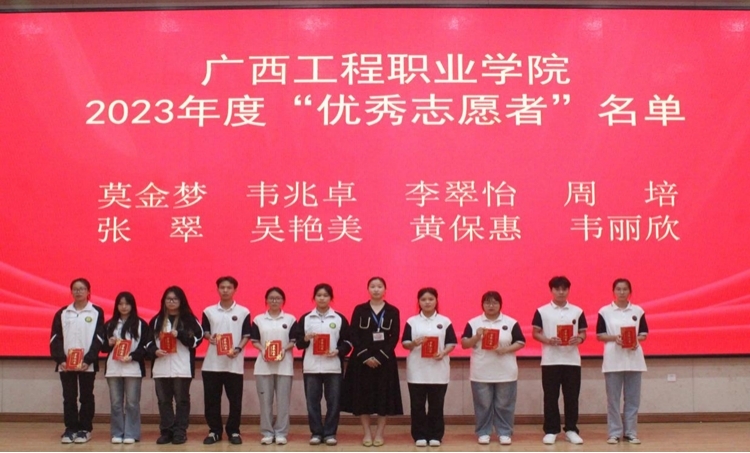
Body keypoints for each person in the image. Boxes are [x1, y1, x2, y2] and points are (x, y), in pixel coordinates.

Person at [342, 277, 403, 447]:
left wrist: (380, 357)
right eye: (373, 286)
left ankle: (380, 433)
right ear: (368, 289)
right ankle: (367, 433)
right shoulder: (360, 309)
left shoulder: (392, 311)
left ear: (385, 289)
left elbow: (394, 336)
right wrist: (366, 357)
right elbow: (353, 334)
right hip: (362, 361)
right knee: (363, 398)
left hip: (385, 361)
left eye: (379, 286)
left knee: (384, 397)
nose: (376, 289)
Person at [291, 283, 352, 446]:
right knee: (312, 402)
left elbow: (348, 342)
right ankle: (316, 433)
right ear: (314, 298)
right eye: (319, 295)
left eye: (325, 295)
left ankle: (330, 433)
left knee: (334, 402)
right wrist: (305, 338)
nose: (322, 298)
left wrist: (338, 351)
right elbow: (298, 343)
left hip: (333, 367)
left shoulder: (339, 318)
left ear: (331, 298)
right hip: (311, 367)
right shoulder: (306, 318)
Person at [461, 291, 525, 445]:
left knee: (504, 405)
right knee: (483, 405)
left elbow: (521, 342)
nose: (491, 306)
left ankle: (504, 432)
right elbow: (464, 344)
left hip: (506, 371)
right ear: (482, 305)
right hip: (481, 371)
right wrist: (477, 337)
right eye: (487, 302)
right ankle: (483, 432)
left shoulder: (511, 322)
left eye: (495, 302)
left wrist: (505, 349)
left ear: (500, 305)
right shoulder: (473, 323)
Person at [531, 276, 588, 445]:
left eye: (564, 289)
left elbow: (583, 332)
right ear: (551, 290)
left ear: (569, 290)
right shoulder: (542, 311)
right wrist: (548, 340)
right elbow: (535, 333)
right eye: (557, 289)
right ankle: (551, 430)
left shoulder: (577, 311)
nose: (561, 292)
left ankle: (571, 429)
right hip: (550, 360)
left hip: (572, 360)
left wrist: (579, 339)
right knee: (550, 397)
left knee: (572, 397)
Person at [50, 278, 106, 444]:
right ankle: (71, 428)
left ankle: (85, 429)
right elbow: (55, 338)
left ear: (88, 291)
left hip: (87, 365)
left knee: (86, 397)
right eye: (75, 289)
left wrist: (88, 360)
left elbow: (99, 338)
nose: (78, 292)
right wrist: (61, 360)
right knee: (69, 397)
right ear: (71, 292)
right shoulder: (63, 313)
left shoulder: (96, 312)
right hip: (66, 365)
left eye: (82, 289)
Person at [146, 286, 203, 445]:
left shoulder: (189, 319)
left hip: (182, 366)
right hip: (161, 366)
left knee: (182, 400)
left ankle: (180, 431)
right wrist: (154, 351)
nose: (171, 302)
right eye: (168, 299)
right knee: (163, 401)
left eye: (175, 299)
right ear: (164, 301)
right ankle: (166, 431)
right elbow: (147, 341)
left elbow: (197, 340)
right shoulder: (156, 320)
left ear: (181, 301)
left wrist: (181, 334)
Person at [402, 287, 457, 447]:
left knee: (436, 405)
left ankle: (435, 435)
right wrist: (414, 343)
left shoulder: (445, 321)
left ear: (436, 301)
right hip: (417, 370)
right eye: (423, 299)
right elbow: (405, 343)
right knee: (417, 405)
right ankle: (419, 435)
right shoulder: (412, 321)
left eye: (430, 299)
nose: (427, 302)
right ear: (418, 302)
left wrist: (443, 352)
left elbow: (451, 343)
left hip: (438, 370)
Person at [596, 278, 648, 445]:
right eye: (618, 289)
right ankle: (614, 433)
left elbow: (643, 334)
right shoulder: (605, 311)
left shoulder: (638, 311)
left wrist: (635, 341)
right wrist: (615, 338)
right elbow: (600, 335)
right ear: (613, 291)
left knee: (632, 399)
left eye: (625, 289)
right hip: (613, 360)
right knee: (613, 400)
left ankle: (631, 432)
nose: (622, 292)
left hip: (634, 359)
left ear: (630, 291)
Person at [200, 276, 251, 445]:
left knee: (235, 401)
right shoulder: (209, 311)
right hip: (211, 364)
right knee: (211, 401)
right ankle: (214, 431)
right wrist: (209, 337)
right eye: (222, 287)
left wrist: (238, 349)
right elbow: (205, 331)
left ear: (235, 290)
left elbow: (246, 335)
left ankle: (233, 431)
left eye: (229, 287)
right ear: (217, 289)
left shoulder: (243, 312)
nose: (225, 290)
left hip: (234, 364)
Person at [101, 291, 151, 444]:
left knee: (132, 403)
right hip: (113, 368)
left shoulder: (141, 324)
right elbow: (102, 347)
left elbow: (146, 346)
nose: (124, 307)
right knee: (116, 403)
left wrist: (133, 356)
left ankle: (131, 433)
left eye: (127, 304)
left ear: (132, 306)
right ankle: (117, 432)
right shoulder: (110, 324)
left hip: (133, 368)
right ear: (116, 306)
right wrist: (109, 343)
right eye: (121, 304)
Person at [250, 287, 297, 445]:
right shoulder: (258, 320)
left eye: (278, 298)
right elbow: (255, 341)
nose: (274, 301)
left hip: (284, 366)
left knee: (283, 402)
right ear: (266, 300)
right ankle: (267, 432)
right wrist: (263, 350)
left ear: (283, 300)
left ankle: (281, 432)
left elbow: (294, 340)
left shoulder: (290, 319)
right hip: (263, 366)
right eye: (271, 298)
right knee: (265, 402)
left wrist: (283, 349)